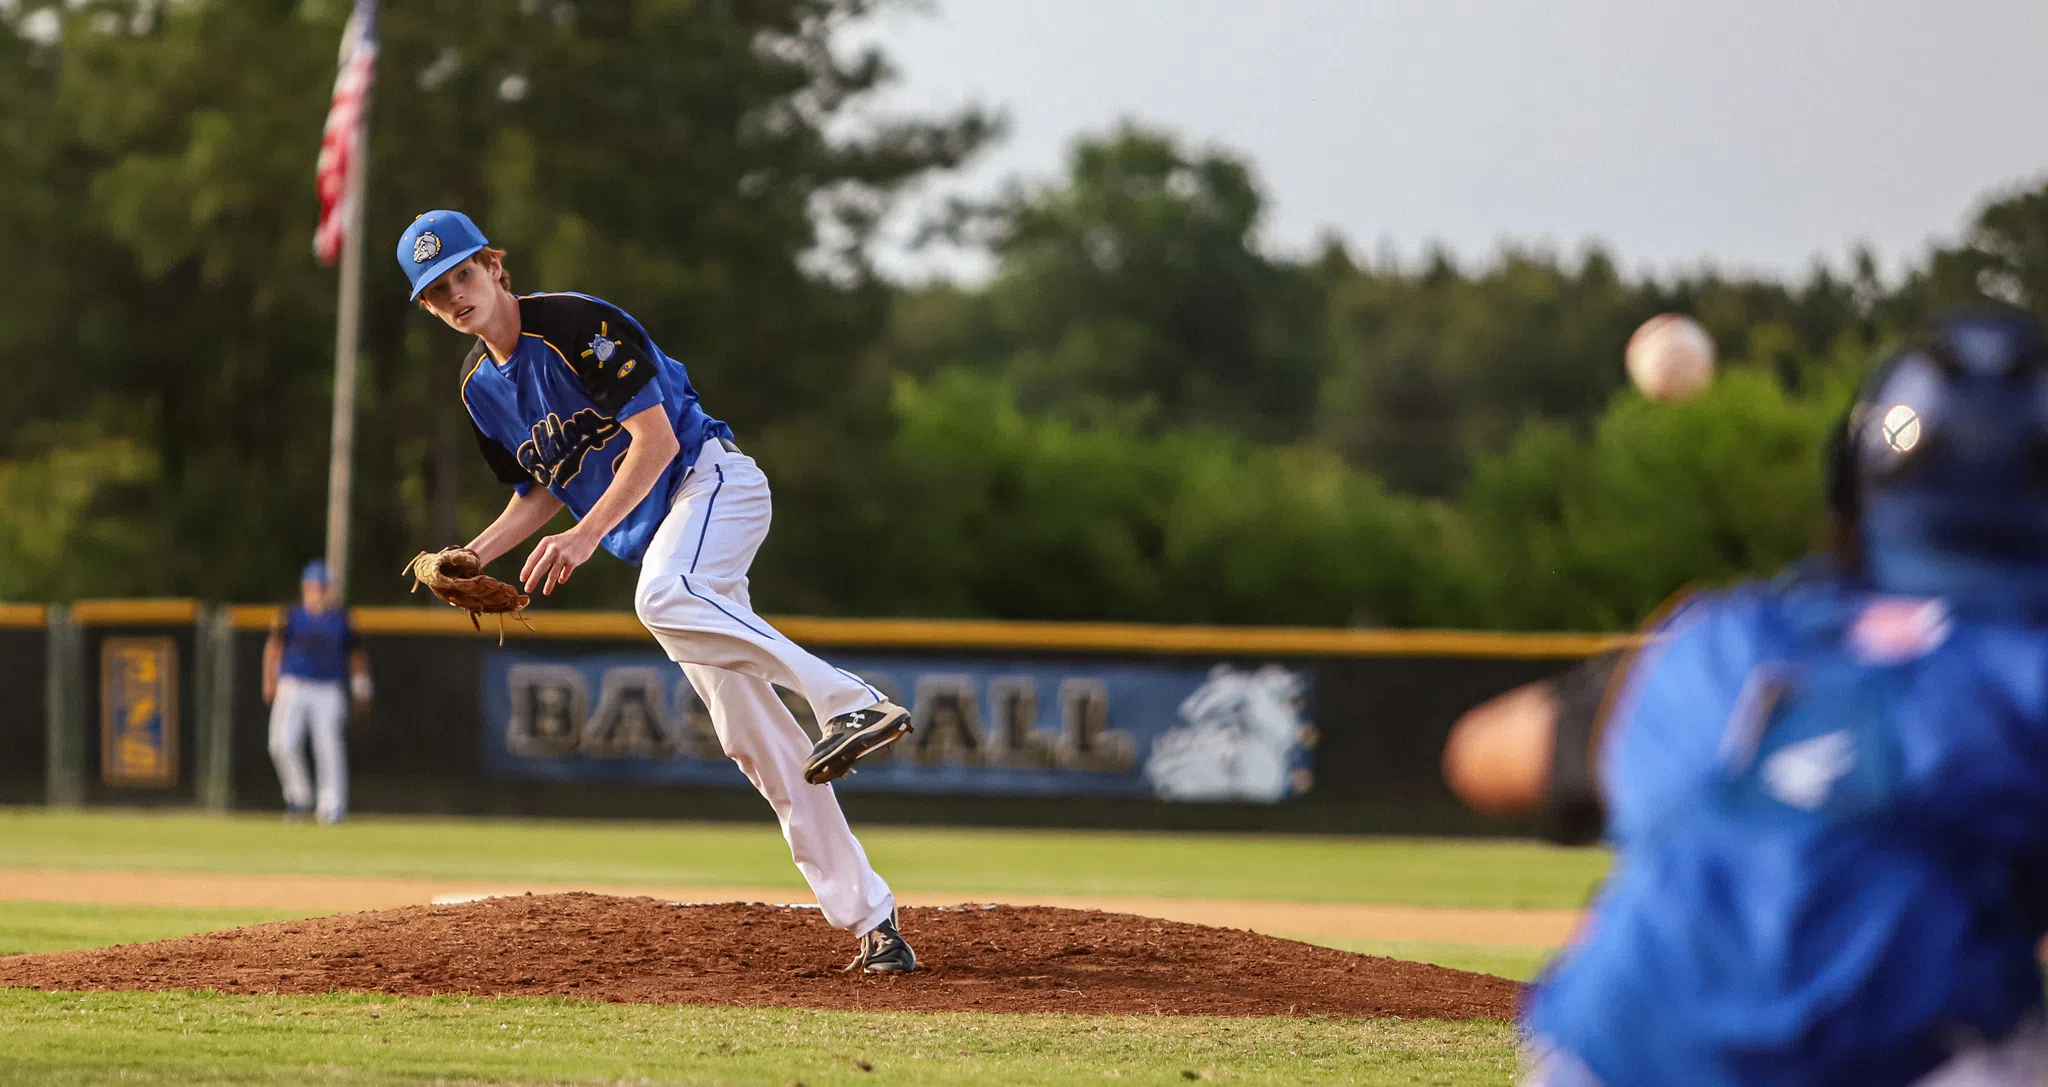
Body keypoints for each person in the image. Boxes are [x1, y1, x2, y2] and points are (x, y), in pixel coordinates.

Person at [1442, 310, 2048, 1085]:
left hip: (1616, 1058)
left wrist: (1651, 722)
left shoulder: (1728, 640)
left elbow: (1478, 752)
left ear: (1852, 488)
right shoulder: (2027, 675)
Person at [395, 210, 917, 973]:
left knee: (660, 596)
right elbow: (537, 492)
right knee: (753, 738)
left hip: (711, 482)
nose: (455, 296)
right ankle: (873, 921)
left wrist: (583, 536)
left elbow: (658, 439)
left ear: (495, 268)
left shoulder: (575, 325)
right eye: (437, 292)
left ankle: (853, 699)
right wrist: (473, 554)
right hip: (672, 538)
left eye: (463, 275)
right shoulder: (480, 392)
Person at [263, 559, 370, 825]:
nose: (318, 593)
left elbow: (355, 654)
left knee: (328, 747)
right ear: (305, 588)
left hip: (327, 688)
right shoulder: (290, 615)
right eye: (313, 587)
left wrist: (362, 686)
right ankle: (298, 796)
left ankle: (331, 805)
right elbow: (274, 647)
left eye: (322, 588)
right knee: (281, 743)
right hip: (293, 685)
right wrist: (269, 679)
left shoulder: (341, 619)